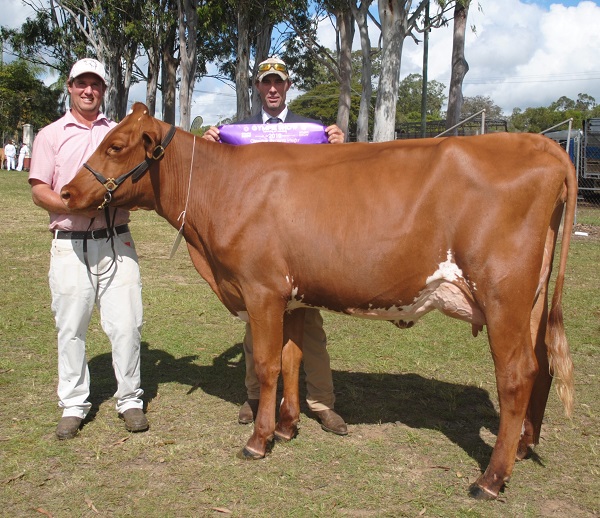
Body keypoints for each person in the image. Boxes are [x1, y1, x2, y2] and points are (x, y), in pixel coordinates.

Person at [203, 56, 347, 435]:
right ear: (257, 87)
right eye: (265, 82)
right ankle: (254, 397)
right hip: (258, 246)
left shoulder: (309, 130)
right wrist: (209, 148)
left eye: (278, 83)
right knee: (257, 324)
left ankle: (322, 402)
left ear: (287, 87)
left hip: (300, 244)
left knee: (310, 324)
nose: (272, 88)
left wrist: (337, 147)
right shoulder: (239, 132)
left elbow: (331, 177)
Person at [28, 58, 148, 440]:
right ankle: (74, 405)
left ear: (103, 90)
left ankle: (130, 399)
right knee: (71, 328)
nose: (88, 91)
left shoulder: (118, 133)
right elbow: (38, 189)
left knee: (127, 324)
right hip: (69, 244)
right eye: (82, 83)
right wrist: (71, 205)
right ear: (69, 87)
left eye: (95, 84)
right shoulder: (50, 135)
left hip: (116, 240)